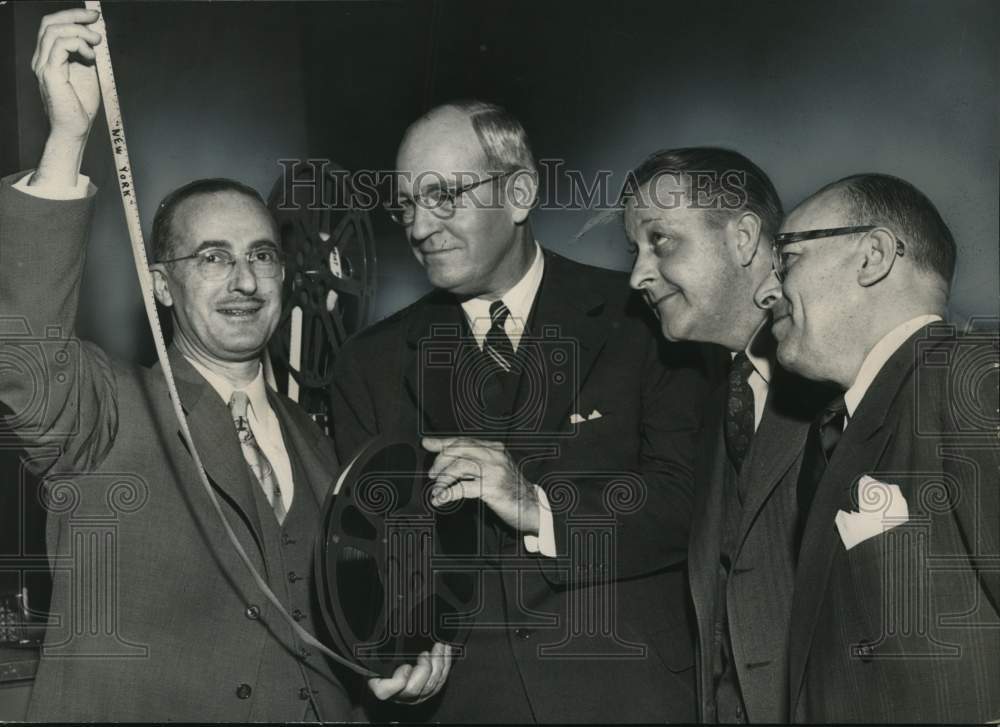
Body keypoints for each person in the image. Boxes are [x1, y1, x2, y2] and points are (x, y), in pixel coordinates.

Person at [0, 9, 447, 720]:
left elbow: (341, 619)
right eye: (212, 257)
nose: (244, 280)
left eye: (261, 256)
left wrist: (399, 664)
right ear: (161, 283)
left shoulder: (314, 435)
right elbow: (24, 360)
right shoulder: (102, 411)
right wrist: (66, 139)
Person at [330, 101, 710, 722]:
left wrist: (538, 506)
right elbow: (370, 558)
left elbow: (685, 504)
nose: (420, 227)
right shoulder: (366, 364)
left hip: (630, 695)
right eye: (406, 205)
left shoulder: (648, 320)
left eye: (444, 196)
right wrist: (410, 657)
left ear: (519, 192)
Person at [753, 173, 1000, 722]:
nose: (765, 292)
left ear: (873, 256)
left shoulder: (967, 375)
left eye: (786, 258)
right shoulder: (844, 429)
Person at [625, 147, 829, 722]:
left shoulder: (852, 374)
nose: (637, 274)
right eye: (634, 250)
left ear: (743, 238)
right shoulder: (718, 394)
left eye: (660, 240)